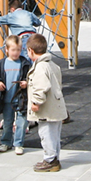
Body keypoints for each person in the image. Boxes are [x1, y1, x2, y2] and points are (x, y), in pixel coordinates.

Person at [26, 33, 67, 172]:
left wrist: (36, 102)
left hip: (46, 109)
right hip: (55, 106)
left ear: (31, 51)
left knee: (46, 133)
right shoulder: (53, 65)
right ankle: (54, 157)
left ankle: (50, 159)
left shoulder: (40, 67)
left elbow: (42, 86)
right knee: (54, 134)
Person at [0, 35, 32, 155]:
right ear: (6, 50)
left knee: (22, 122)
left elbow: (31, 76)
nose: (16, 52)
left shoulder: (25, 63)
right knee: (7, 122)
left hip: (21, 98)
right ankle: (6, 142)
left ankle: (18, 143)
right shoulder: (0, 64)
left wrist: (26, 82)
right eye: (13, 50)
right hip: (6, 98)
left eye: (18, 49)